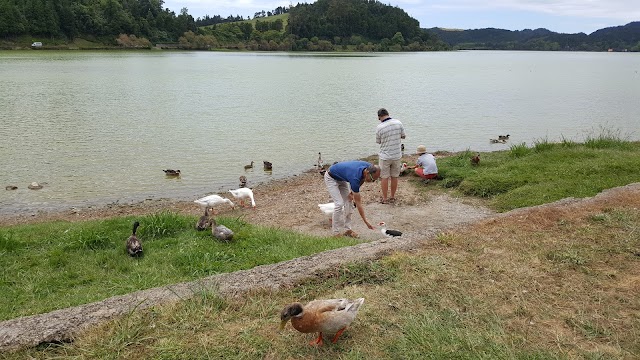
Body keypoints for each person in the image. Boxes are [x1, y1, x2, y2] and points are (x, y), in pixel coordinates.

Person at [324, 161, 381, 237]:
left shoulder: (369, 167)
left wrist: (351, 193)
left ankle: (347, 230)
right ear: (367, 173)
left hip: (342, 178)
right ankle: (335, 233)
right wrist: (366, 222)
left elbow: (362, 179)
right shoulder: (354, 178)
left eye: (375, 180)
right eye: (372, 179)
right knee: (339, 204)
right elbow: (358, 203)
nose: (372, 181)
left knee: (349, 201)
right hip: (331, 177)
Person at [375, 108, 405, 204]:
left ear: (379, 117)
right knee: (394, 176)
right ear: (388, 114)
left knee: (384, 177)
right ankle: (392, 196)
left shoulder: (380, 127)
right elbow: (403, 136)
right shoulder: (398, 123)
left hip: (385, 156)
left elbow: (378, 141)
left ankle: (384, 198)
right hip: (396, 155)